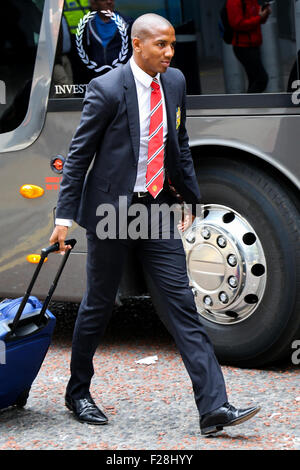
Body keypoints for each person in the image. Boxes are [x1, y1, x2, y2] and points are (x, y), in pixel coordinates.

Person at [49, 13, 260, 436]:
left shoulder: (175, 83)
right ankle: (78, 392)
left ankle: (214, 408)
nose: (169, 53)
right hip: (112, 212)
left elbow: (178, 143)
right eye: (161, 45)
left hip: (157, 209)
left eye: (172, 45)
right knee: (99, 305)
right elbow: (78, 157)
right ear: (138, 45)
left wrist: (193, 200)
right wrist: (64, 216)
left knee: (182, 304)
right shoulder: (107, 89)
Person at [227, 0, 271, 93]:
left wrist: (264, 14)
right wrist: (259, 18)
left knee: (254, 80)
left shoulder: (251, 1)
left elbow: (258, 20)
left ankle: (251, 105)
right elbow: (237, 24)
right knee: (261, 79)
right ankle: (248, 103)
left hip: (254, 45)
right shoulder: (234, 2)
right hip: (243, 47)